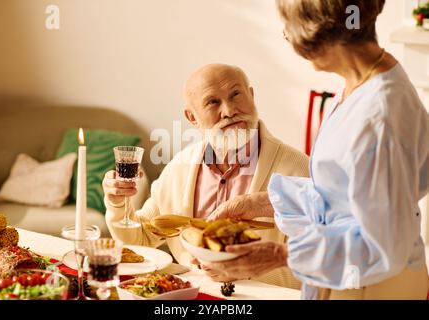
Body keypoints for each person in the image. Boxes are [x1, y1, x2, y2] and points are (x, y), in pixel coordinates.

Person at [201, 0, 429, 300]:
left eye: (289, 29)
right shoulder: (360, 83)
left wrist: (279, 255)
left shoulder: (380, 115)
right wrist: (263, 203)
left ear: (319, 30)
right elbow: (346, 196)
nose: (289, 38)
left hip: (373, 287)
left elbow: (383, 244)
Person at [103, 63, 310, 289]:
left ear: (251, 95)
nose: (229, 111)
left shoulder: (300, 170)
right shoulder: (179, 168)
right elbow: (140, 239)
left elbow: (316, 269)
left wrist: (243, 272)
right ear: (192, 117)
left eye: (236, 94)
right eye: (213, 102)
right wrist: (117, 204)